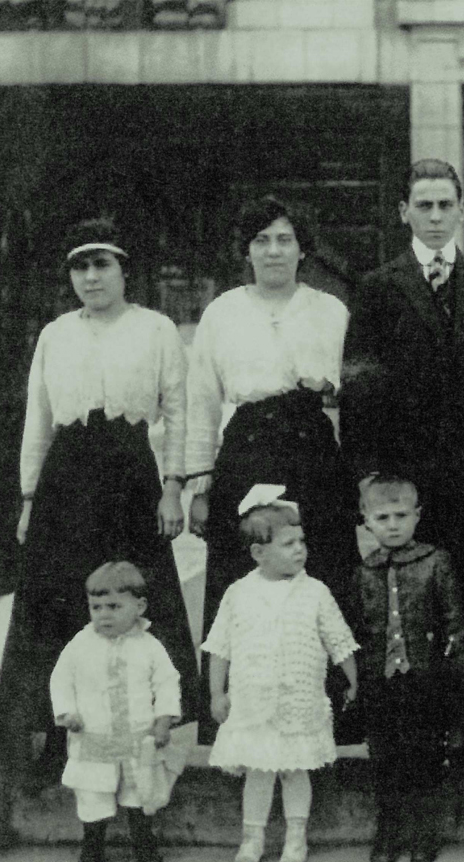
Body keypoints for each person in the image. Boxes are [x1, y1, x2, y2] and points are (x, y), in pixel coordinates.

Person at [0, 218, 197, 793]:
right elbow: (37, 418)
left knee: (139, 593)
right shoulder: (55, 334)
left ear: (124, 271)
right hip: (67, 474)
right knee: (58, 594)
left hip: (132, 472)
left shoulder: (156, 329)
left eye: (101, 264)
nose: (91, 277)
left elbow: (178, 412)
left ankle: (153, 740)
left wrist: (173, 486)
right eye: (80, 267)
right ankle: (60, 735)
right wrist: (30, 497)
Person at [186, 196, 354, 740]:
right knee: (243, 572)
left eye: (284, 239)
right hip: (247, 450)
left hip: (312, 448)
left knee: (319, 566)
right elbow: (202, 401)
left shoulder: (330, 310)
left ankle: (330, 713)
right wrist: (198, 483)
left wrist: (330, 390)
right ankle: (237, 716)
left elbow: (355, 393)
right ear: (247, 250)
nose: (274, 250)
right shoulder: (223, 312)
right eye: (261, 240)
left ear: (303, 249)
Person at [342, 159, 464, 571]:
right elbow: (359, 389)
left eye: (446, 205)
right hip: (404, 471)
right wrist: (367, 475)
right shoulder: (377, 288)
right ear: (403, 211)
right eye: (424, 206)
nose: (436, 216)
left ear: (462, 209)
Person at [205, 487, 360, 862]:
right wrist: (216, 693)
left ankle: (296, 837)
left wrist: (353, 679)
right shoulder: (238, 593)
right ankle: (252, 837)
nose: (299, 550)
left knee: (294, 771)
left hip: (298, 701)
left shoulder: (315, 592)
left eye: (301, 541)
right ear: (259, 553)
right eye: (288, 543)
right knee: (258, 772)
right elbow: (219, 646)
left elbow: (339, 639)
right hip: (253, 702)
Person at [351, 474, 464, 862]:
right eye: (382, 517)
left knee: (424, 756)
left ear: (417, 516)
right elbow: (357, 631)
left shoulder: (436, 561)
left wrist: (455, 678)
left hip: (426, 679)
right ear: (366, 520)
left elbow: (455, 622)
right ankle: (389, 831)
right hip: (380, 682)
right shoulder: (364, 571)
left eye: (401, 515)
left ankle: (424, 832)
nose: (392, 524)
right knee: (385, 758)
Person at [50, 561, 182, 862]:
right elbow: (61, 679)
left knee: (139, 794)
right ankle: (92, 845)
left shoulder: (150, 647)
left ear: (139, 606)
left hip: (138, 739)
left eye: (113, 606)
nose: (104, 614)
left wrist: (164, 719)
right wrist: (68, 711)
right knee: (93, 795)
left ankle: (143, 842)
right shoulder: (80, 646)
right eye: (96, 607)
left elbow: (167, 682)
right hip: (94, 738)